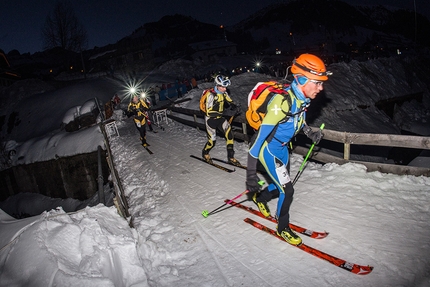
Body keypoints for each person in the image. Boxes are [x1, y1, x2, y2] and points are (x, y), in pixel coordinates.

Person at [245, 54, 331, 246]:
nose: (321, 87)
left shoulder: (301, 99)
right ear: (301, 79)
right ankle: (283, 228)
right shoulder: (281, 102)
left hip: (283, 149)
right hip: (268, 150)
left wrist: (309, 133)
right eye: (317, 83)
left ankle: (261, 198)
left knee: (279, 185)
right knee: (288, 190)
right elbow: (257, 143)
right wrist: (250, 177)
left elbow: (296, 120)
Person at [202, 74, 241, 166]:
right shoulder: (210, 95)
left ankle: (231, 157)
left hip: (220, 118)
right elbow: (208, 112)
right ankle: (205, 153)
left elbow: (229, 100)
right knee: (212, 141)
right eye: (223, 87)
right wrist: (226, 113)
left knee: (230, 135)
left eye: (225, 87)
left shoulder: (224, 93)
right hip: (210, 120)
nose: (225, 89)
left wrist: (234, 106)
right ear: (217, 86)